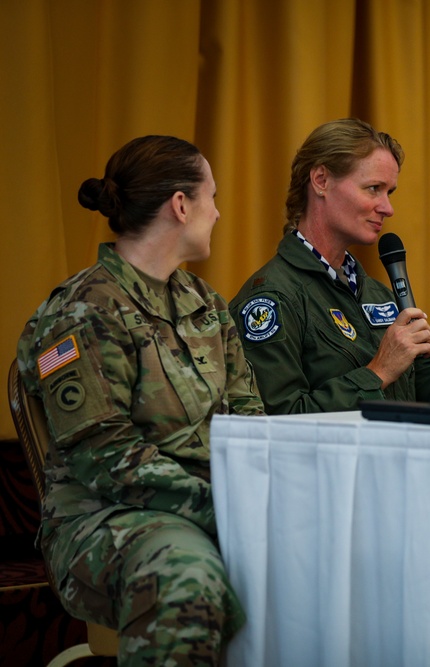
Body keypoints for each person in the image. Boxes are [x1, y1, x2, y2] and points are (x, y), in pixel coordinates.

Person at [16, 136, 263, 665]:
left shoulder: (208, 306)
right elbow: (103, 454)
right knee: (186, 574)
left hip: (213, 508)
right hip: (107, 518)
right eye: (211, 197)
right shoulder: (82, 312)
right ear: (181, 205)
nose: (218, 213)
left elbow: (251, 424)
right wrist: (224, 509)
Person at [230, 119, 430, 413]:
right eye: (374, 188)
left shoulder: (376, 293)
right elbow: (277, 424)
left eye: (390, 192)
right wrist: (378, 372)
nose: (387, 208)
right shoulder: (272, 298)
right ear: (321, 180)